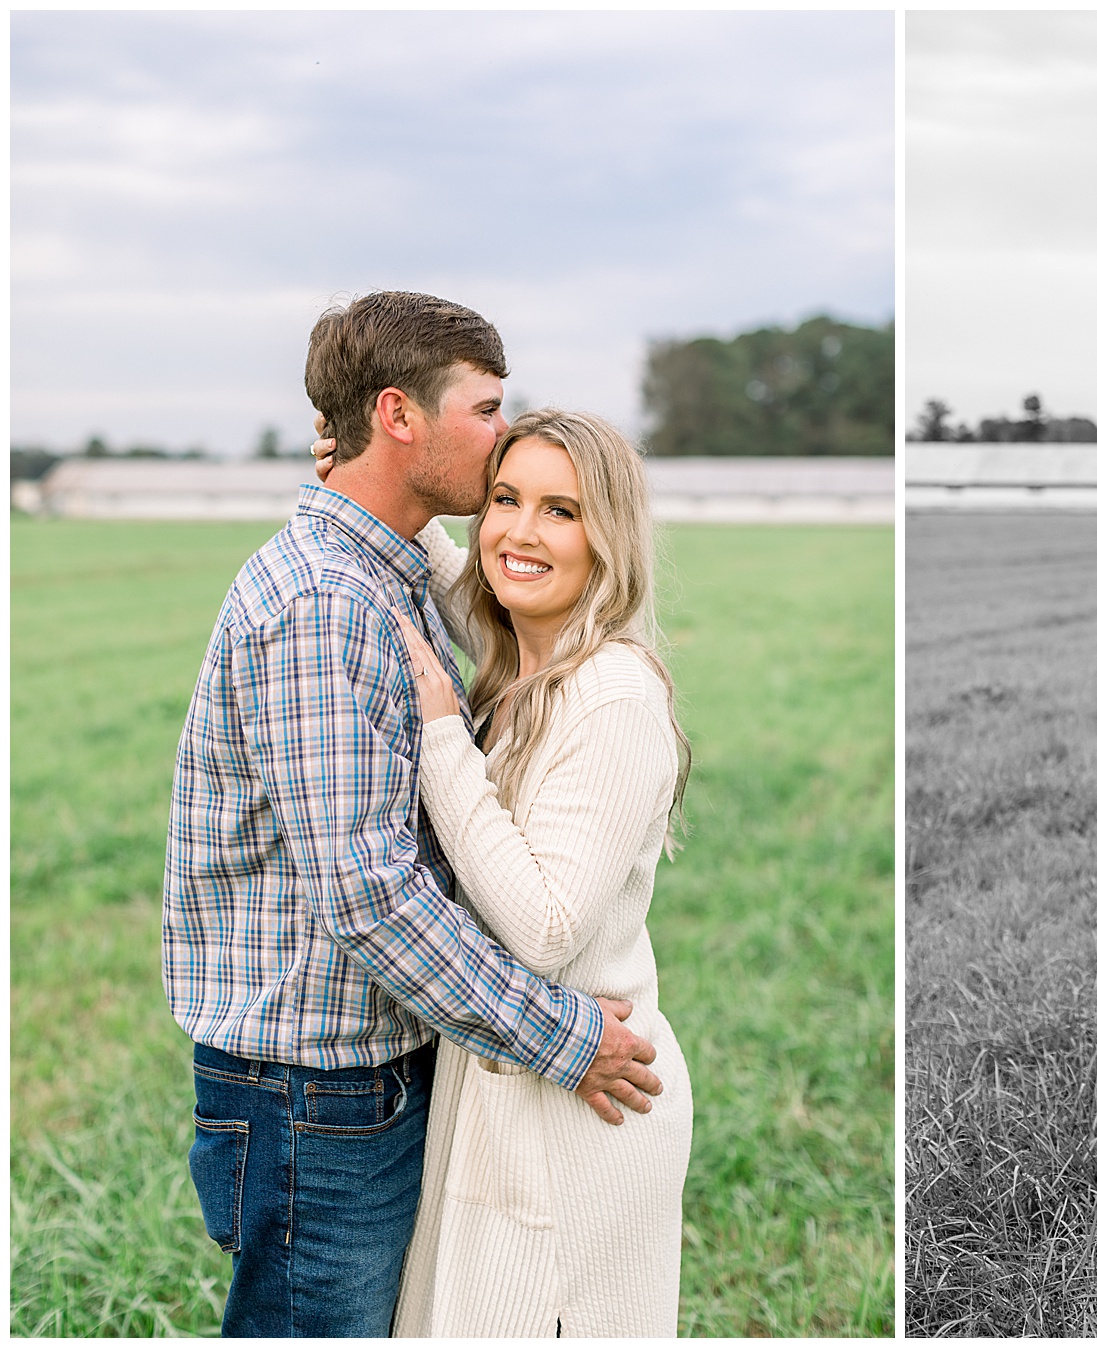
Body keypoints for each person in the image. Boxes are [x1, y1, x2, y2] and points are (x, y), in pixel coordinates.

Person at [162, 292, 663, 1337]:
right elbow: (371, 893)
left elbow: (464, 565)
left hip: (360, 1086)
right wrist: (564, 1037)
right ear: (400, 415)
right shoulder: (328, 603)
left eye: (556, 504)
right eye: (485, 410)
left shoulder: (375, 574)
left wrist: (352, 466)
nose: (499, 437)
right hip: (318, 1101)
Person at [311, 408, 694, 1335]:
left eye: (561, 511)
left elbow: (545, 927)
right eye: (507, 500)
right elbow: (480, 573)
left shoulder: (611, 697)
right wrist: (378, 478)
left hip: (582, 1107)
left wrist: (445, 741)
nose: (522, 531)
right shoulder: (532, 668)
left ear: (608, 539)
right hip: (515, 1075)